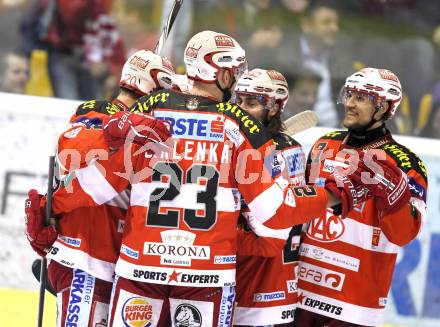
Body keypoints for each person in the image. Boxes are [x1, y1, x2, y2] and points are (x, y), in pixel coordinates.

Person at [48, 31, 376, 326]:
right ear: (219, 72)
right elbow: (274, 213)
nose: (235, 79)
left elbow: (98, 184)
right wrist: (330, 196)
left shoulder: (149, 110)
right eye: (233, 71)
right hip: (206, 274)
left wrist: (52, 207)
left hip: (139, 267)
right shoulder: (239, 125)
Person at [24, 49, 175, 326]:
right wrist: (118, 128)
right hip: (86, 260)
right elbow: (70, 147)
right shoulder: (99, 112)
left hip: (123, 265)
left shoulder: (154, 129)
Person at [295, 67, 428, 326]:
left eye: (361, 98)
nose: (350, 104)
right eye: (349, 95)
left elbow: (403, 235)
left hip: (354, 303)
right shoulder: (325, 144)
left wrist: (395, 194)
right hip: (300, 291)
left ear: (384, 108)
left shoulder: (407, 164)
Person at [231, 68, 305, 326]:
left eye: (250, 103)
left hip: (258, 284)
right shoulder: (290, 147)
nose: (240, 110)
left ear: (273, 108)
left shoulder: (269, 154)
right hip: (274, 286)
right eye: (238, 101)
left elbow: (261, 222)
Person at [19, 0, 125, 99]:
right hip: (62, 54)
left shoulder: (99, 8)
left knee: (92, 104)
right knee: (68, 100)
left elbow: (105, 30)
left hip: (88, 59)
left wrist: (110, 66)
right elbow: (73, 14)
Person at [276, 0, 355, 127]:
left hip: (336, 132)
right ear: (307, 25)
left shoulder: (342, 57)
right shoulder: (283, 54)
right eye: (327, 22)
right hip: (293, 129)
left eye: (336, 23)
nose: (334, 28)